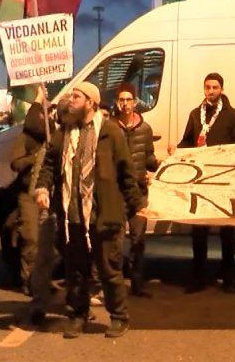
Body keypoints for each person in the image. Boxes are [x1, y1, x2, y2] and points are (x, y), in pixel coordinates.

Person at [33, 84, 141, 339]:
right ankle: (77, 315)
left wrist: (134, 206)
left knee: (109, 269)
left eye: (77, 96)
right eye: (71, 95)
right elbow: (50, 163)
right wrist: (42, 188)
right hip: (72, 215)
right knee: (75, 270)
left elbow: (126, 170)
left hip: (103, 213)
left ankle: (119, 317)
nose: (71, 99)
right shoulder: (65, 131)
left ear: (90, 102)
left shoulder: (110, 132)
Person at [177, 73, 235, 293]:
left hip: (224, 181)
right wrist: (176, 153)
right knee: (199, 231)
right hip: (201, 182)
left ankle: (228, 277)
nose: (211, 91)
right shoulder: (195, 114)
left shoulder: (233, 115)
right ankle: (198, 277)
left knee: (227, 232)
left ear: (222, 89)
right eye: (207, 87)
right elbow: (187, 141)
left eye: (215, 87)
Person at [10, 87, 54, 299]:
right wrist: (35, 158)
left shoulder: (53, 138)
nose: (46, 118)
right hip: (28, 193)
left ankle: (43, 280)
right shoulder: (25, 138)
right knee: (30, 238)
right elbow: (15, 164)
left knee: (49, 242)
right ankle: (28, 281)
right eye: (42, 114)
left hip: (49, 193)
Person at [114, 83, 158, 297]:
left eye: (128, 99)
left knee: (138, 240)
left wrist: (162, 164)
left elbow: (148, 157)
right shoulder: (110, 128)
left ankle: (137, 283)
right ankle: (115, 286)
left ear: (135, 102)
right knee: (115, 240)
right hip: (117, 192)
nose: (125, 104)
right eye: (121, 100)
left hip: (139, 193)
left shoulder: (145, 129)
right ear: (117, 103)